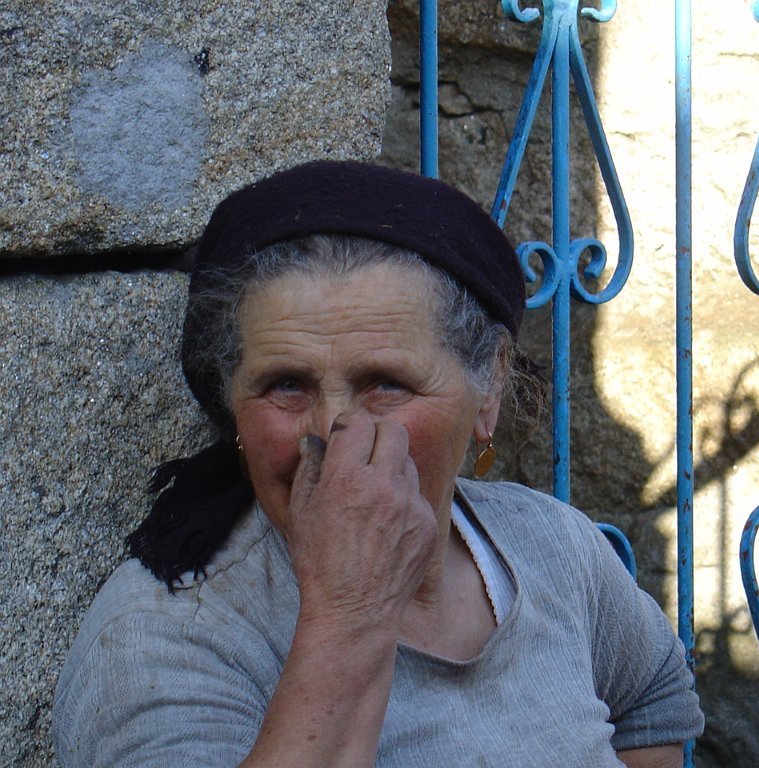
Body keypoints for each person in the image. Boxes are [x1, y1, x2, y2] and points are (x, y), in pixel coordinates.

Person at [53, 160, 703, 767]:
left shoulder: (552, 545)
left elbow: (651, 699)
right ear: (232, 406)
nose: (333, 431)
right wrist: (350, 611)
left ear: (489, 387)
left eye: (386, 384)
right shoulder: (163, 638)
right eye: (286, 385)